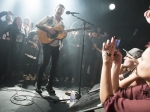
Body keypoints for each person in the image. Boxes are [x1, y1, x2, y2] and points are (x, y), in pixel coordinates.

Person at [100, 36, 150, 112]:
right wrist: (116, 64)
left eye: (142, 59)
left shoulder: (139, 79)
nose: (137, 61)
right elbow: (117, 92)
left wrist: (106, 62)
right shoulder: (146, 88)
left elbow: (109, 103)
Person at [35, 4, 67, 94]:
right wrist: (47, 29)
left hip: (57, 46)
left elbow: (59, 36)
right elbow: (37, 24)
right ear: (55, 9)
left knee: (54, 65)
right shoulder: (48, 18)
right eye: (59, 8)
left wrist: (64, 35)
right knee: (45, 63)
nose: (60, 10)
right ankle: (38, 85)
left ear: (63, 12)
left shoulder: (62, 24)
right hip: (47, 43)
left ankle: (49, 86)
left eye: (62, 10)